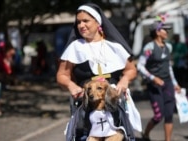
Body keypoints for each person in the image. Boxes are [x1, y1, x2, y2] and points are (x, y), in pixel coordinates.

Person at [56, 3, 137, 140]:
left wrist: (124, 80)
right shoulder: (75, 47)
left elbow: (131, 70)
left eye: (85, 21)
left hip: (113, 100)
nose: (81, 25)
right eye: (78, 22)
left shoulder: (114, 46)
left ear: (97, 22)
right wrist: (71, 86)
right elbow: (62, 75)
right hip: (87, 102)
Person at [137, 20, 181, 141]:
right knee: (158, 115)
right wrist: (153, 78)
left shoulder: (169, 47)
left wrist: (175, 84)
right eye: (164, 30)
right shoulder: (149, 47)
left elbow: (169, 67)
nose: (167, 32)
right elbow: (140, 66)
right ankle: (146, 133)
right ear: (157, 32)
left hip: (168, 84)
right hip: (154, 85)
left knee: (169, 114)